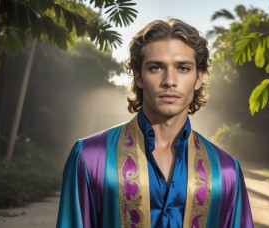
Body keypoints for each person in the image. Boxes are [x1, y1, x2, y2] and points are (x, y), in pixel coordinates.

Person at [56, 18, 253, 228]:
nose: (170, 80)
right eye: (156, 68)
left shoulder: (227, 171)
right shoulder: (89, 158)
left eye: (183, 68)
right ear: (139, 77)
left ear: (198, 78)